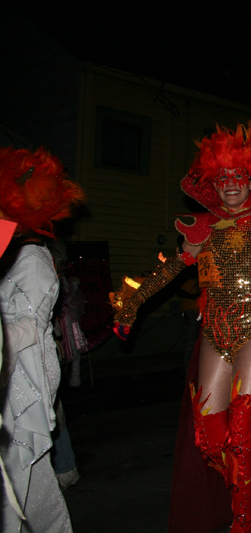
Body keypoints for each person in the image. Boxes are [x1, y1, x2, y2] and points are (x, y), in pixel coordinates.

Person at [112, 122, 251, 533]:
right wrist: (132, 302)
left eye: (239, 176)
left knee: (242, 434)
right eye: (223, 178)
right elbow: (170, 270)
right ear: (213, 184)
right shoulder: (202, 230)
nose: (231, 184)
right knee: (208, 438)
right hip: (215, 331)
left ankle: (243, 521)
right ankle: (250, 491)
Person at [0, 146, 85, 532]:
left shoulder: (32, 260)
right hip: (14, 365)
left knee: (21, 466)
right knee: (23, 474)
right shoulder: (13, 253)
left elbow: (29, 327)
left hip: (26, 370)